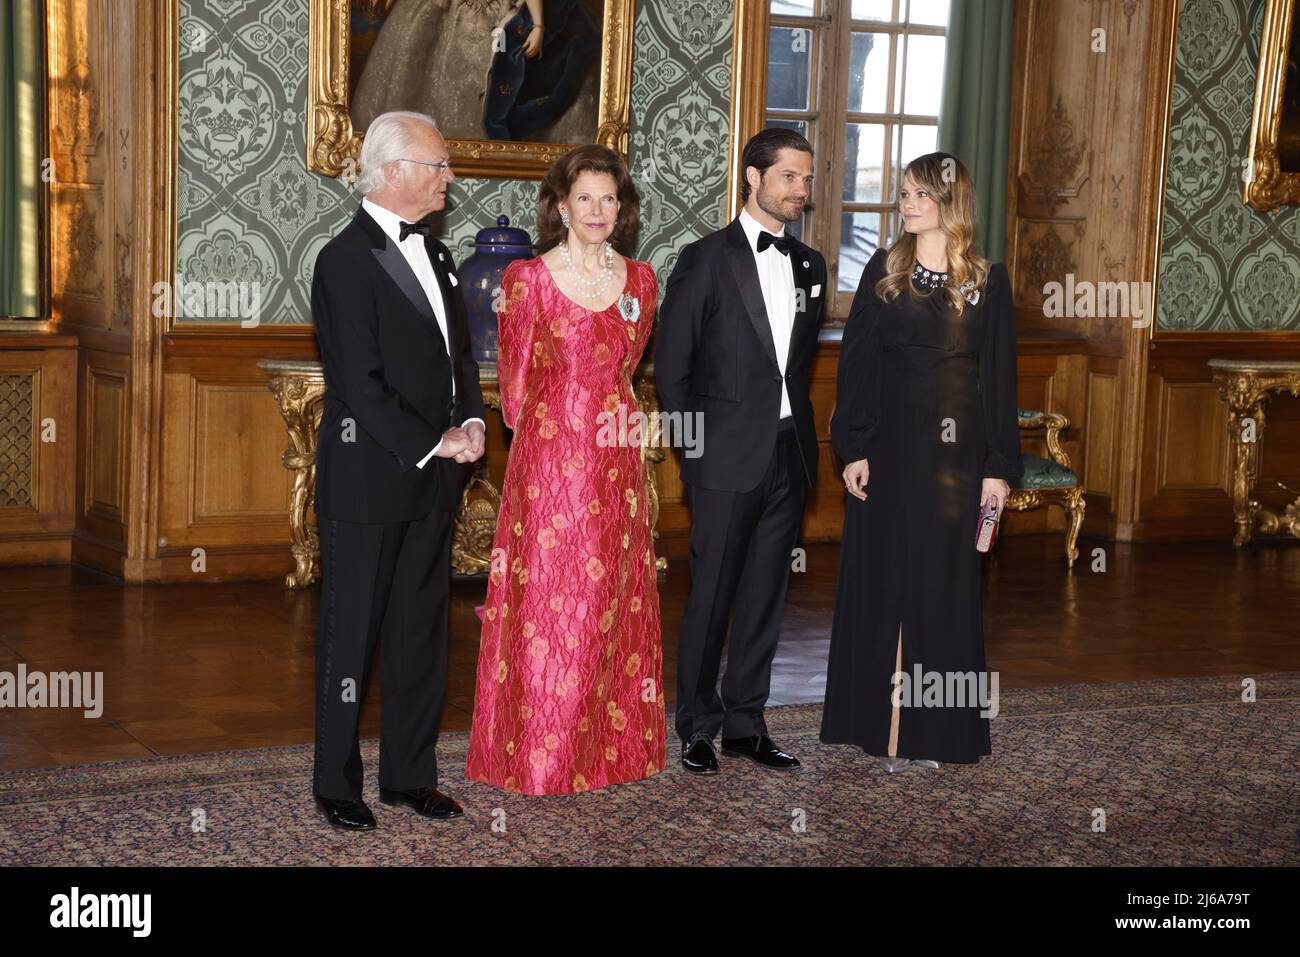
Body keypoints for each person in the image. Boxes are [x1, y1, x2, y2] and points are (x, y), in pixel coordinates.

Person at [465, 144, 665, 794]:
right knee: (555, 602)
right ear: (559, 206)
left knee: (612, 594)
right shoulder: (528, 278)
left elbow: (627, 367)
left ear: (623, 207)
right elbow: (516, 392)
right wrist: (558, 439)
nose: (599, 210)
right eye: (585, 198)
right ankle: (540, 756)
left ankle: (611, 748)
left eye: (609, 198)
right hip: (551, 464)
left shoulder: (641, 282)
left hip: (618, 462)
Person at [311, 111, 487, 830]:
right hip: (368, 476)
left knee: (423, 632)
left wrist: (473, 419)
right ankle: (336, 783)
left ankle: (410, 775)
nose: (450, 177)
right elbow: (360, 382)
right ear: (392, 172)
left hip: (432, 480)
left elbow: (462, 360)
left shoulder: (442, 257)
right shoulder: (343, 260)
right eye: (438, 165)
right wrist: (436, 441)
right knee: (351, 635)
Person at [819, 152, 1023, 772]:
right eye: (903, 193)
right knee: (880, 582)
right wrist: (852, 447)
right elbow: (856, 367)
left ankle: (938, 734)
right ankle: (872, 726)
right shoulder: (884, 270)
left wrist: (997, 468)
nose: (905, 203)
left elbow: (999, 382)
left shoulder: (989, 280)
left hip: (958, 465)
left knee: (945, 588)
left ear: (949, 203)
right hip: (888, 452)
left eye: (917, 194)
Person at [654, 128, 828, 775]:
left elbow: (798, 367)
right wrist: (695, 458)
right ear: (753, 177)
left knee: (764, 594)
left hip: (789, 455)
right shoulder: (705, 259)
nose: (801, 191)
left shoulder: (810, 265)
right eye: (789, 177)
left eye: (807, 179)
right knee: (712, 595)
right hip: (723, 460)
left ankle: (745, 723)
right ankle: (697, 724)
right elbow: (672, 371)